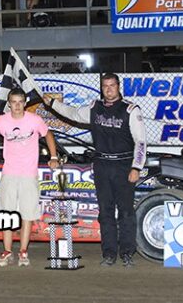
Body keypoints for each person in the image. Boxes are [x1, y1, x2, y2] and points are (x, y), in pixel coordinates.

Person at [43, 73, 146, 268]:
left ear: (118, 86)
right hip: (102, 166)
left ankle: (127, 253)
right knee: (105, 212)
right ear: (102, 88)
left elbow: (141, 141)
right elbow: (73, 113)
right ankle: (109, 254)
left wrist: (136, 167)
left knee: (125, 212)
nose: (108, 89)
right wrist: (53, 104)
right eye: (105, 86)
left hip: (124, 166)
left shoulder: (131, 110)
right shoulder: (94, 108)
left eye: (112, 85)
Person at [0, 88, 59, 267]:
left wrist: (53, 157)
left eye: (20, 102)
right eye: (13, 102)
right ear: (8, 103)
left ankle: (23, 251)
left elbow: (48, 134)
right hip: (9, 173)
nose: (16, 105)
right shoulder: (2, 121)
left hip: (28, 175)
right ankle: (7, 251)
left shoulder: (34, 120)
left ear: (25, 103)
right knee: (6, 214)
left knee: (27, 215)